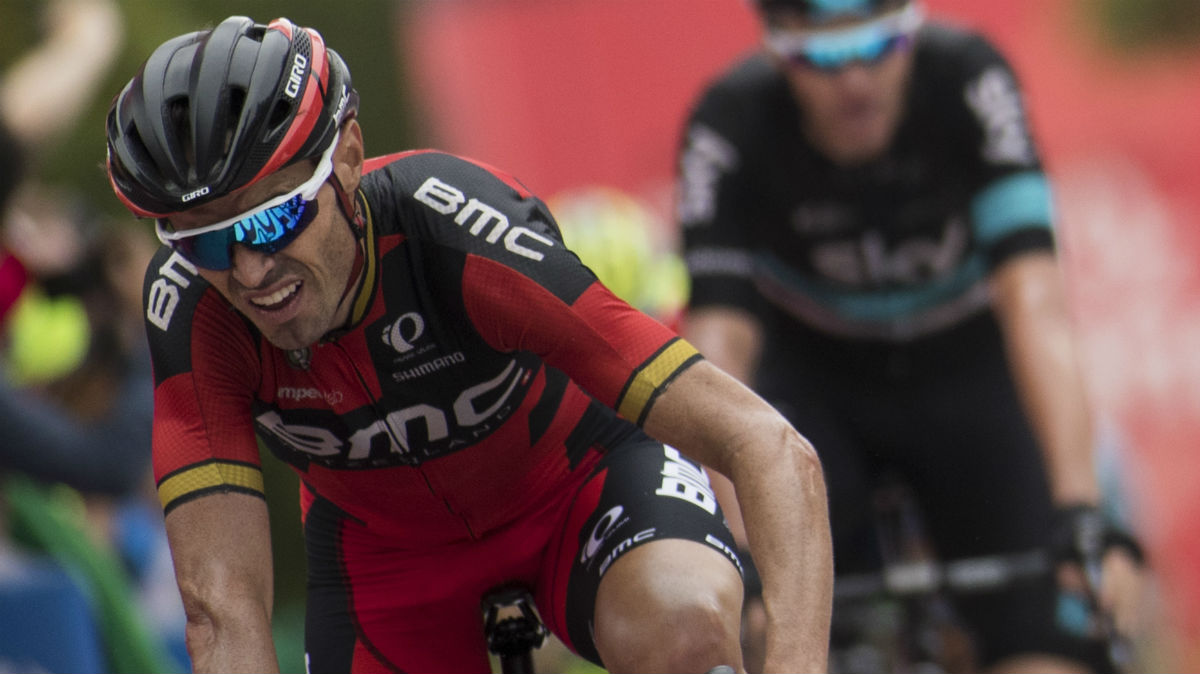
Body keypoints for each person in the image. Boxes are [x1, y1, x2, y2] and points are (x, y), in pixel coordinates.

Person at [103, 15, 834, 674]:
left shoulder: (455, 231)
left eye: (270, 222)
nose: (249, 271)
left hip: (581, 487)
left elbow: (766, 445)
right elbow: (220, 611)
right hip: (383, 558)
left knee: (683, 641)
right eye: (206, 245)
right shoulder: (193, 312)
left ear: (350, 156)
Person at [675, 1, 1145, 672]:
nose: (857, 81)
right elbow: (719, 342)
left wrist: (1081, 510)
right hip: (816, 391)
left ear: (915, 31)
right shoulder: (729, 119)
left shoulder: (969, 80)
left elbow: (1036, 301)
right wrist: (740, 550)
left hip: (966, 374)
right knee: (773, 637)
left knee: (1047, 649)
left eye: (881, 45)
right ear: (777, 52)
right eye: (825, 57)